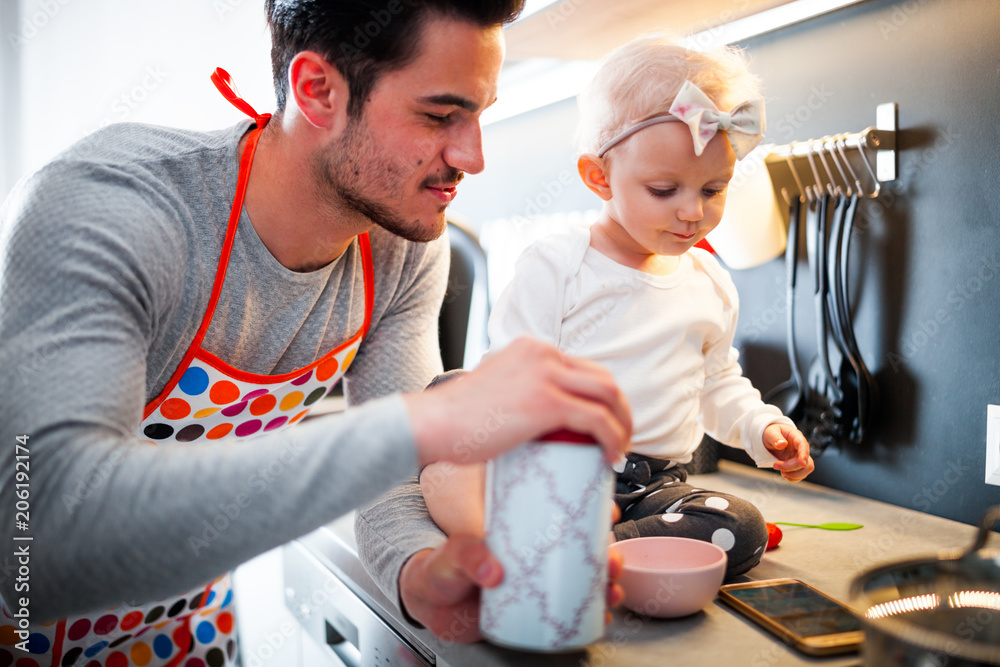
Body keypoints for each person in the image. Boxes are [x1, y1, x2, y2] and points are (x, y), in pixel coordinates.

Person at [0, 1, 632, 663]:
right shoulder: (112, 207)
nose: (471, 156)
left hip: (188, 635)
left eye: (480, 114)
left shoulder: (401, 246)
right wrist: (428, 419)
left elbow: (391, 481)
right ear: (318, 91)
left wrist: (422, 576)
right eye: (441, 115)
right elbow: (36, 546)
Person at [418, 35, 815, 578]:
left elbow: (718, 385)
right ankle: (525, 536)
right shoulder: (558, 264)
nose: (692, 212)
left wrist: (761, 429)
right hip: (550, 470)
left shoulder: (710, 283)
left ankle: (584, 552)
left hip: (653, 488)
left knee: (738, 526)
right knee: (451, 411)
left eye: (714, 189)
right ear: (598, 176)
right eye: (663, 189)